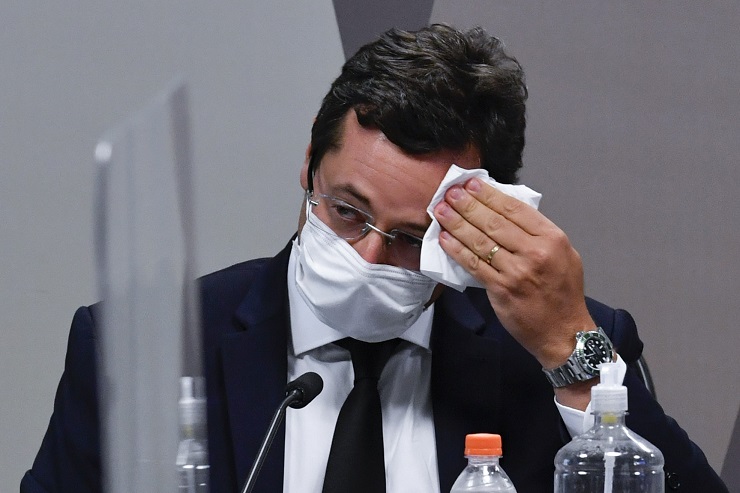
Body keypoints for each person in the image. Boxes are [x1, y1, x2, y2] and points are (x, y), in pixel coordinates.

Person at [22, 24, 727, 493]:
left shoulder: (551, 349)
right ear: (310, 162)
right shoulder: (142, 346)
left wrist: (571, 352)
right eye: (347, 211)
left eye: (412, 237)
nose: (366, 253)